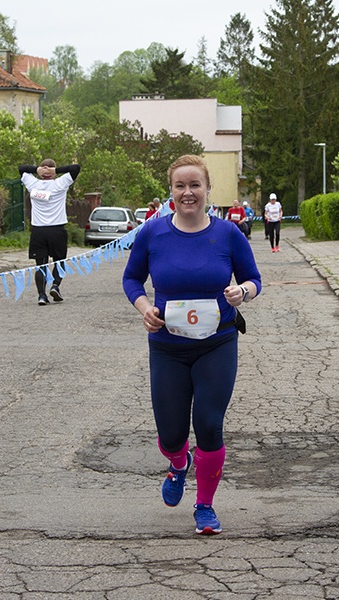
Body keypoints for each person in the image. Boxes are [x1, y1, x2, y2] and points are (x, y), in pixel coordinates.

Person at [122, 155, 262, 536]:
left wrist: (241, 293)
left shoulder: (228, 234)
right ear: (171, 191)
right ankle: (178, 462)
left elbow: (253, 279)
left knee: (209, 423)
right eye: (181, 186)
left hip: (217, 343)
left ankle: (205, 506)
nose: (188, 193)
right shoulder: (152, 234)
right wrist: (144, 307)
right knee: (171, 434)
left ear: (207, 190)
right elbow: (132, 279)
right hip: (167, 345)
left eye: (195, 185)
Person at [19, 159, 80, 305]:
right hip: (57, 230)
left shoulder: (32, 183)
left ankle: (41, 295)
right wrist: (56, 170)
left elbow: (21, 168)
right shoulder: (60, 183)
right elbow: (75, 168)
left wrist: (36, 169)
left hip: (38, 231)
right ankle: (55, 286)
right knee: (59, 262)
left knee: (41, 264)